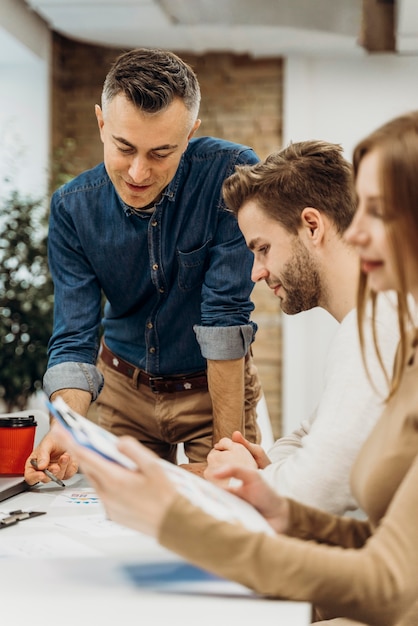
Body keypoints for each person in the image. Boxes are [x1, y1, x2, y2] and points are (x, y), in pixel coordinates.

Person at [58, 110, 418, 626]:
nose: (355, 234)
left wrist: (182, 522)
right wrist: (275, 499)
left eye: (375, 212)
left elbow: (380, 570)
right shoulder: (372, 333)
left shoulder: (383, 324)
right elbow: (328, 469)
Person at [24, 47, 262, 485]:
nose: (138, 171)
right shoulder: (72, 209)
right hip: (121, 392)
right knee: (109, 522)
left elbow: (225, 317)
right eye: (124, 147)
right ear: (101, 123)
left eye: (161, 153)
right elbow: (75, 335)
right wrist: (66, 426)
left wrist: (228, 449)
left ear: (190, 134)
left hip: (212, 390)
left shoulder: (232, 175)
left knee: (227, 510)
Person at [205, 140, 399, 516]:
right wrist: (276, 469)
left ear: (312, 226)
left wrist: (254, 479)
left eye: (262, 248)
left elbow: (321, 485)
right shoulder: (371, 319)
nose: (256, 272)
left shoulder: (376, 324)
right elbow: (312, 434)